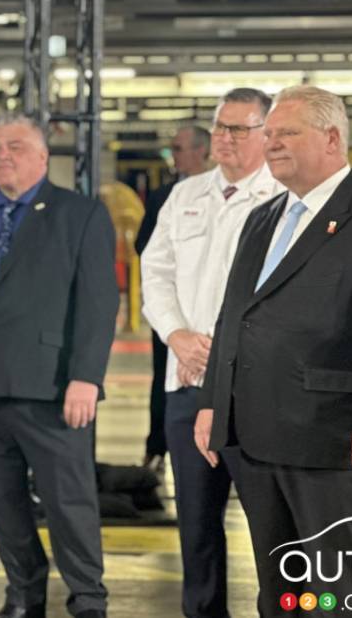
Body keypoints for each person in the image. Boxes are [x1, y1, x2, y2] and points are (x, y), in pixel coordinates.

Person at [195, 86, 352, 617]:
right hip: (257, 443)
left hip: (335, 447)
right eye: (268, 134)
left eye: (286, 133)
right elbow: (234, 319)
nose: (271, 144)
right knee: (282, 596)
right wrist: (212, 404)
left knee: (348, 597)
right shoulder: (264, 218)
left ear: (332, 138)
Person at [0, 113, 118, 618]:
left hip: (50, 389)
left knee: (69, 505)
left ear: (44, 157)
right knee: (2, 507)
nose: (3, 154)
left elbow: (98, 302)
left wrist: (86, 376)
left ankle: (87, 600)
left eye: (17, 146)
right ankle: (23, 596)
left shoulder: (81, 214)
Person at [140, 90, 280, 618]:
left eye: (237, 129)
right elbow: (155, 273)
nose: (223, 137)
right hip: (188, 381)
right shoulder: (186, 195)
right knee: (196, 527)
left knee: (270, 525)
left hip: (253, 389)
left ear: (266, 134)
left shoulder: (281, 200)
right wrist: (176, 334)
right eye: (220, 127)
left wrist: (222, 348)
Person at [134, 125, 212, 472]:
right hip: (170, 311)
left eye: (179, 149)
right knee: (161, 383)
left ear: (202, 152)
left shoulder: (221, 197)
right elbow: (145, 250)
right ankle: (158, 448)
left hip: (207, 311)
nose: (174, 156)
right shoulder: (162, 196)